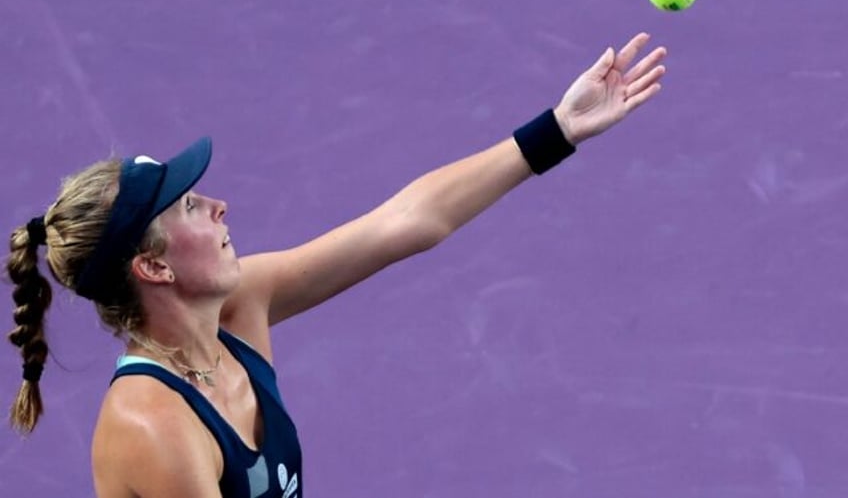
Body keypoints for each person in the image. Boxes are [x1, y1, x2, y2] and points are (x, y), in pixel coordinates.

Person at [6, 32, 667, 497]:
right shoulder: (152, 424)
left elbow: (403, 223)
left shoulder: (238, 311)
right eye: (188, 207)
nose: (218, 205)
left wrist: (557, 128)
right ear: (152, 268)